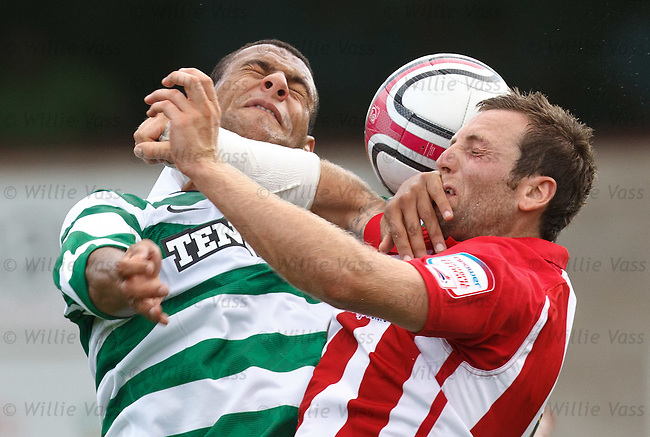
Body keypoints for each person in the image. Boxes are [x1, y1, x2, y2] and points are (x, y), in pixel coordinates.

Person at [138, 67, 595, 436]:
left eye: (475, 152)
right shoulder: (441, 247)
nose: (443, 159)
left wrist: (206, 163)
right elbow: (348, 202)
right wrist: (205, 139)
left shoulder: (519, 279)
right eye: (451, 145)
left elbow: (346, 276)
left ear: (534, 192)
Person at [53, 39, 387, 437]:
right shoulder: (124, 213)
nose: (278, 83)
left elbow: (393, 230)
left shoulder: (337, 244)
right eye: (255, 71)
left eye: (296, 90)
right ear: (204, 104)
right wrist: (124, 274)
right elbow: (97, 268)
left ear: (306, 151)